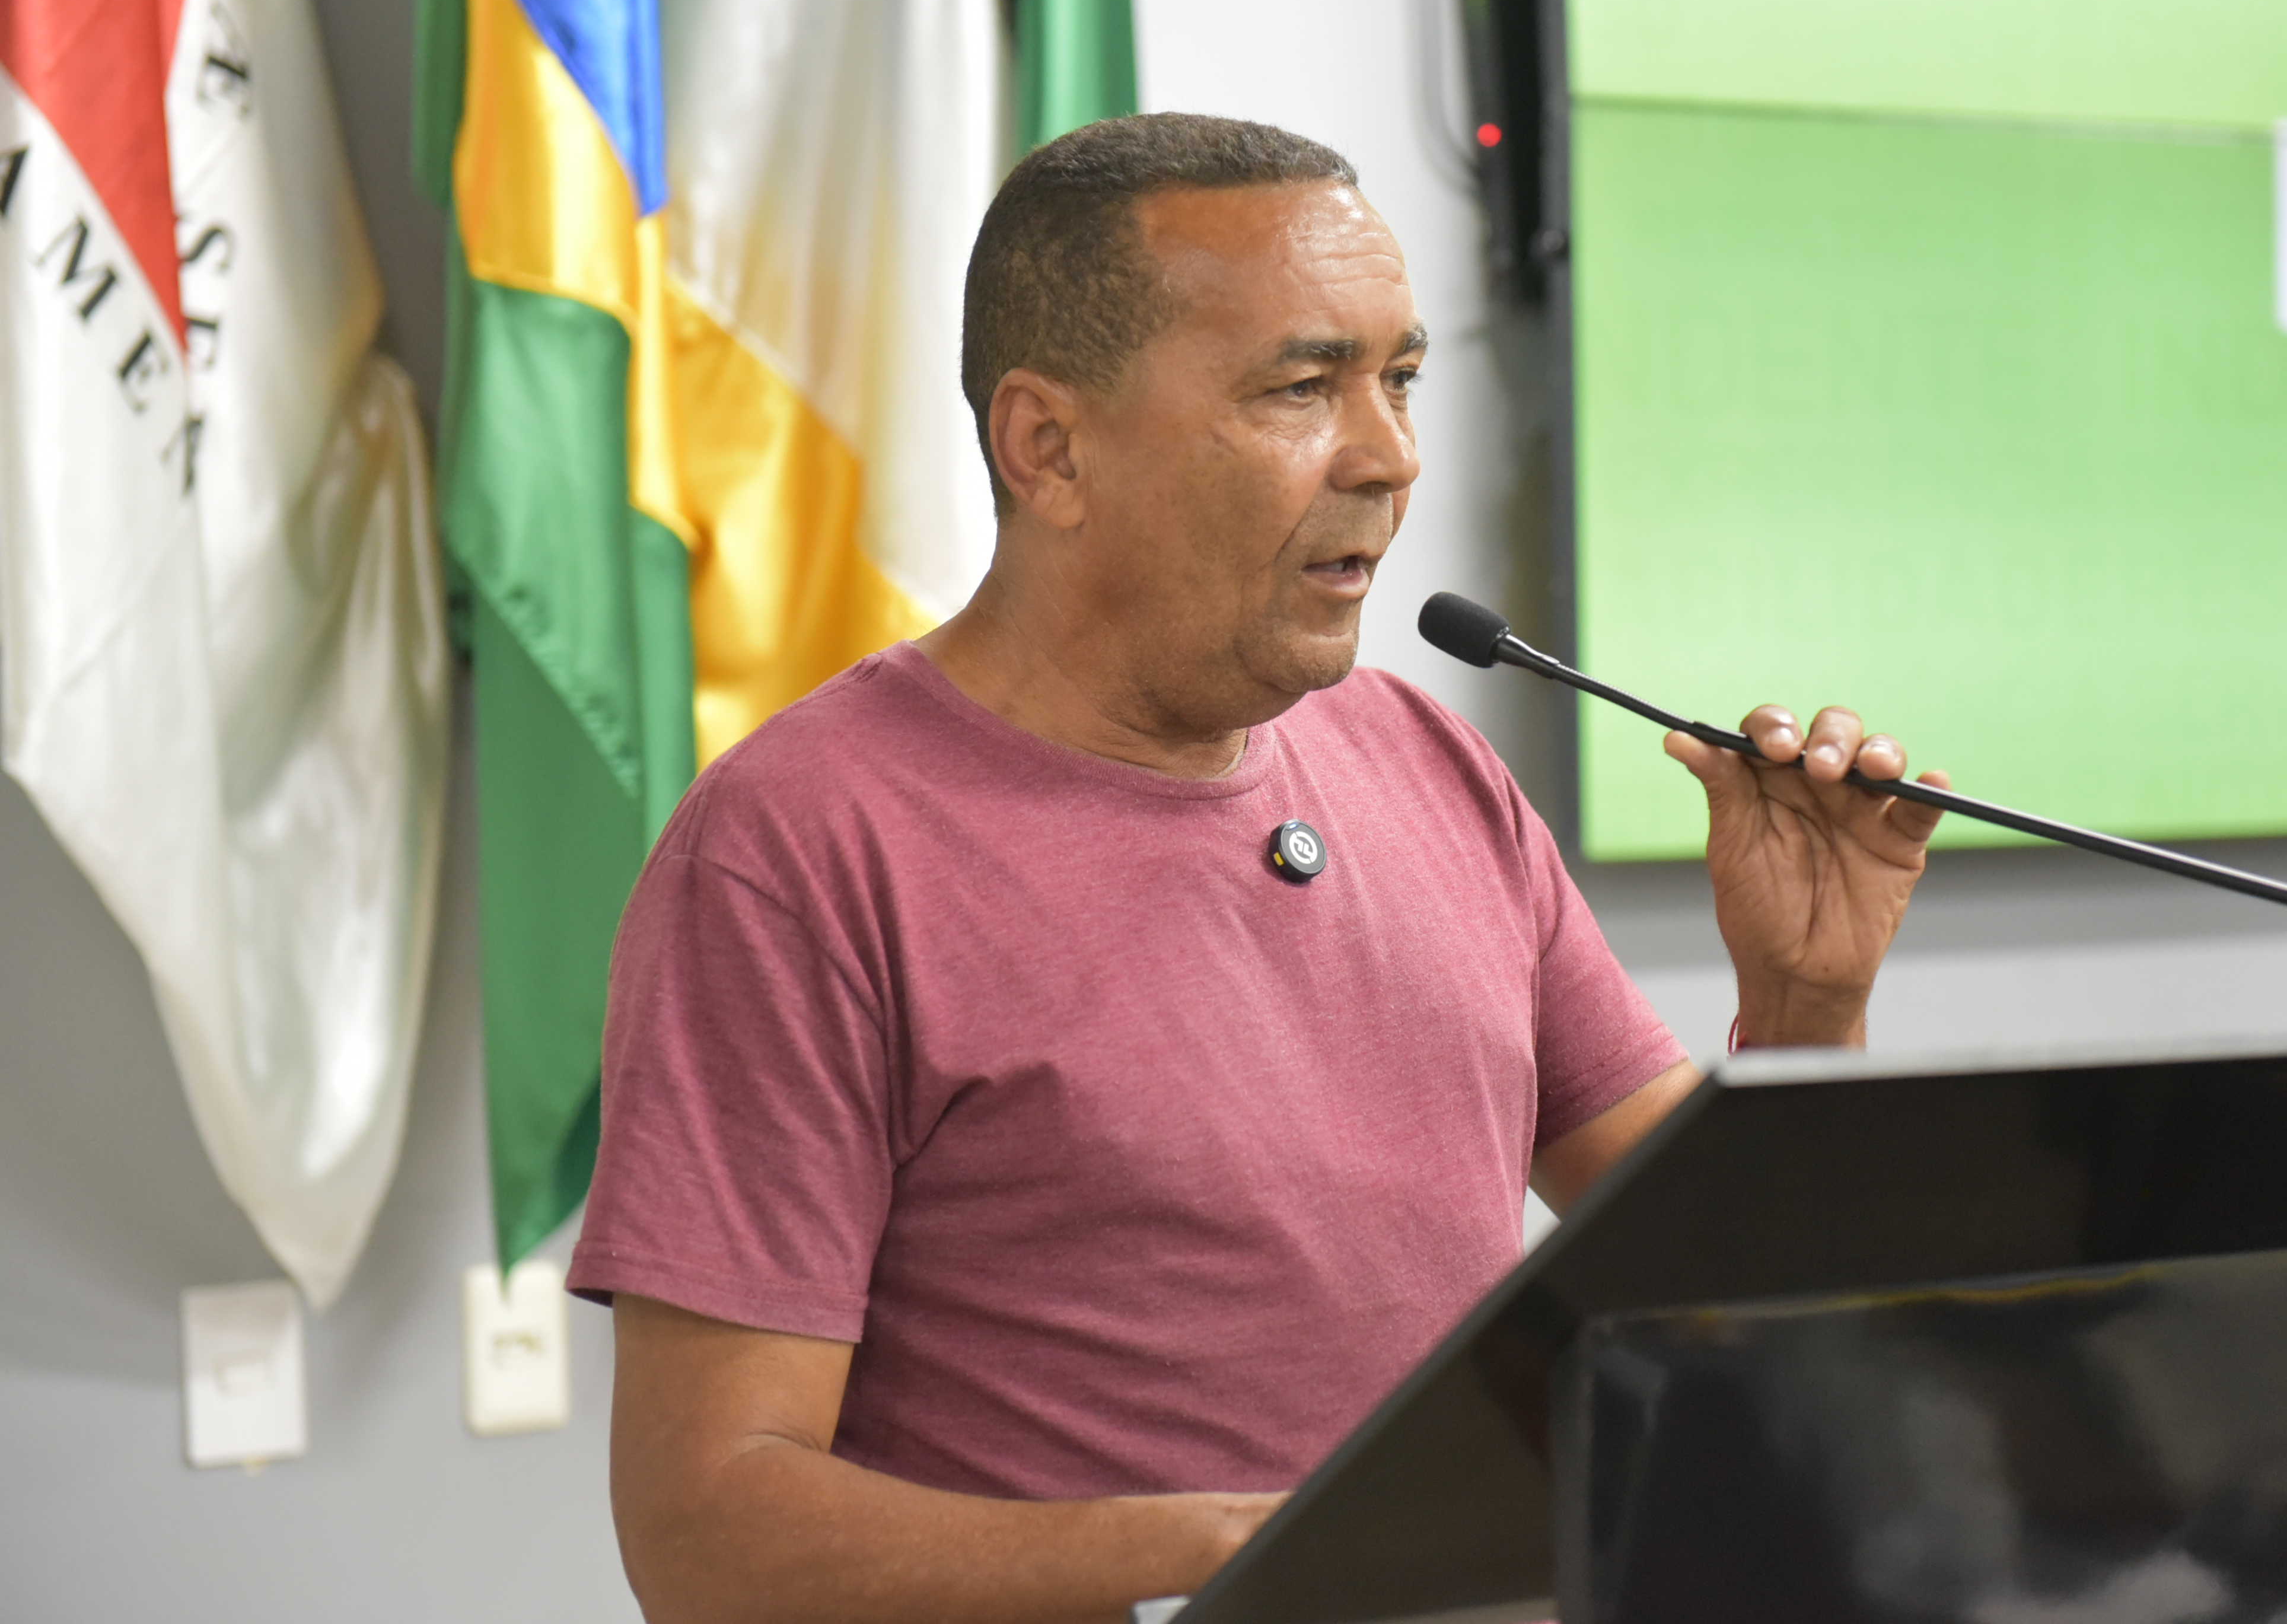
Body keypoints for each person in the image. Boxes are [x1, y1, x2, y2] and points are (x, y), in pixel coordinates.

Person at [568, 113, 1948, 1624]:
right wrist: (1257, 1550)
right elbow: (710, 1531)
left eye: (1400, 378)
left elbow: (1728, 1300)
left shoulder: (1428, 763)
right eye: (1303, 387)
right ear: (1049, 448)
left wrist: (1805, 1009)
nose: (1391, 456)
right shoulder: (798, 849)